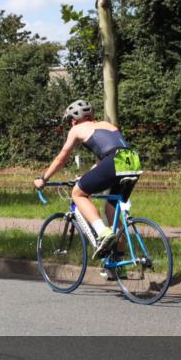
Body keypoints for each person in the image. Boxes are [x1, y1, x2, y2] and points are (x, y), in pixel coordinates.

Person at [33, 99, 142, 259]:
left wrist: (43, 178)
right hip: (132, 160)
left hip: (114, 161)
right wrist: (85, 177)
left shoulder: (77, 129)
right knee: (111, 211)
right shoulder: (107, 125)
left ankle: (102, 232)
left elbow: (61, 159)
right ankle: (117, 263)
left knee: (78, 194)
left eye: (70, 120)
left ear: (74, 119)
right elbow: (107, 157)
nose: (71, 124)